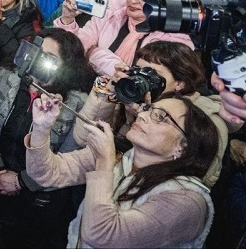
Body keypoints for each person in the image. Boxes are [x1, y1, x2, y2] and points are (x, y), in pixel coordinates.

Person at [27, 92, 217, 248]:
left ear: (182, 148)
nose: (141, 115)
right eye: (149, 109)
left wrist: (104, 161)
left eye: (160, 117)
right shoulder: (122, 156)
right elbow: (45, 174)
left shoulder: (186, 201)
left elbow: (102, 235)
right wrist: (41, 129)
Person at [0, 29, 92, 247]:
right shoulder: (6, 77)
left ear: (67, 66)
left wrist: (21, 181)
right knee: (7, 233)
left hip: (41, 193)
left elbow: (69, 157)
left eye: (49, 59)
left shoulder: (77, 103)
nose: (39, 62)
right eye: (37, 52)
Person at [74, 41, 237, 188]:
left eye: (151, 74)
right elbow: (82, 139)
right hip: (112, 183)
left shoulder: (206, 118)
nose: (140, 79)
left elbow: (202, 179)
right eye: (137, 71)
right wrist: (107, 95)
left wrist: (147, 117)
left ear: (180, 83)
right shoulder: (130, 96)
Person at [55, 0, 193, 77]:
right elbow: (74, 50)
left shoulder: (175, 35)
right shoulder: (111, 12)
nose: (133, 0)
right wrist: (67, 20)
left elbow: (144, 79)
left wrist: (95, 53)